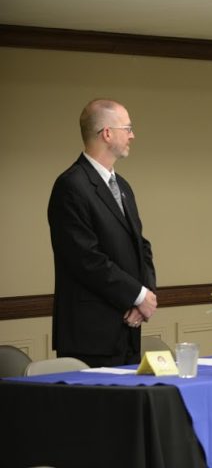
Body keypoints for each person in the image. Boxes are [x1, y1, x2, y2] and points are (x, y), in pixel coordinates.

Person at [48, 99, 158, 367]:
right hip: (91, 336)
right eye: (128, 128)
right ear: (107, 133)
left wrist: (144, 298)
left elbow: (140, 246)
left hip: (128, 327)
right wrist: (139, 296)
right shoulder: (71, 186)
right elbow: (86, 260)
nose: (133, 135)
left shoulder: (122, 185)